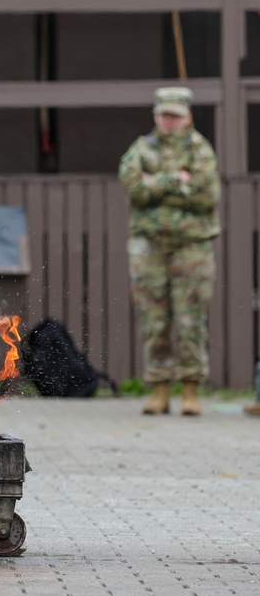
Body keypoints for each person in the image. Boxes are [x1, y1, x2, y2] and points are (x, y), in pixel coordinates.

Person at [119, 87, 221, 416]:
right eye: (164, 114)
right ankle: (160, 389)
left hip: (192, 247)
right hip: (148, 246)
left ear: (187, 116)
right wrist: (176, 180)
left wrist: (155, 184)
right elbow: (133, 187)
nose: (169, 120)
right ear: (155, 115)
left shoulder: (201, 150)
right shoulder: (141, 149)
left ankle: (190, 390)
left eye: (175, 115)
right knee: (154, 317)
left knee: (191, 318)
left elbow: (207, 196)